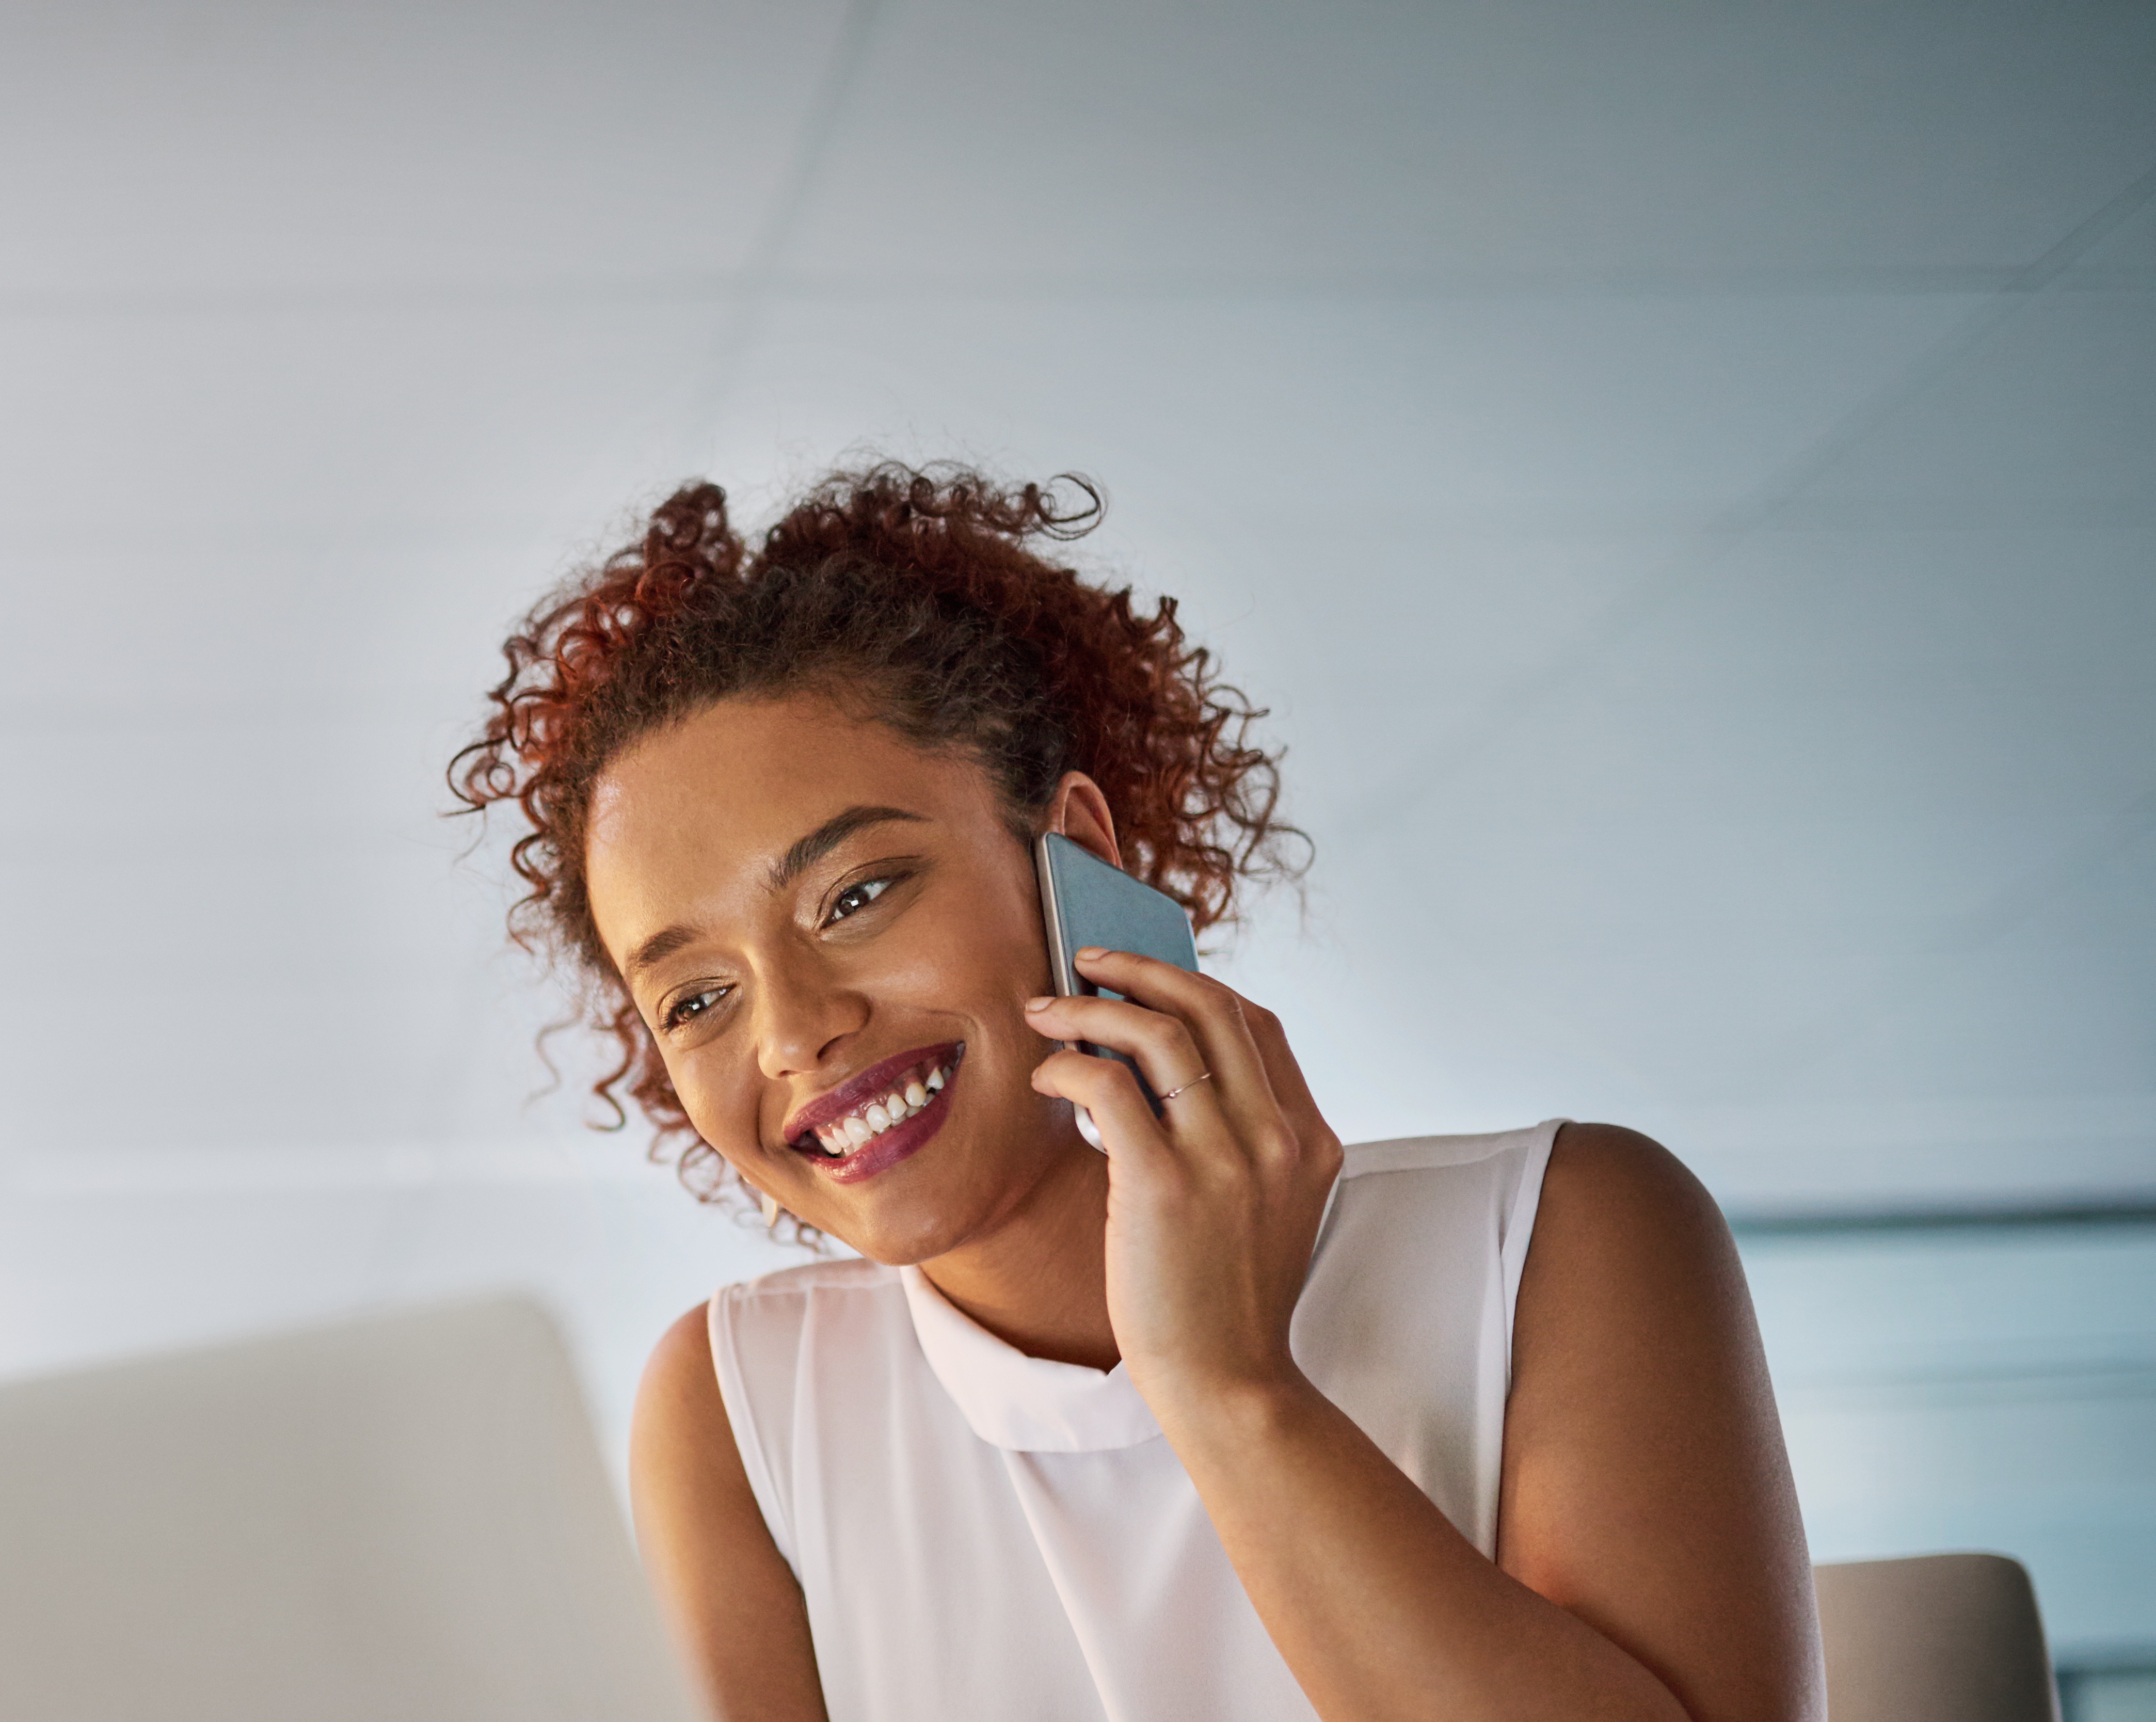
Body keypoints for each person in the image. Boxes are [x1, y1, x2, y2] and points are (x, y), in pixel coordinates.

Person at [447, 466, 1819, 1722]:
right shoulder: (741, 1405)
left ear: (1076, 853)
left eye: (855, 896)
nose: (795, 1033)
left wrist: (1223, 1387)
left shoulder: (1561, 1234)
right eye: (696, 998)